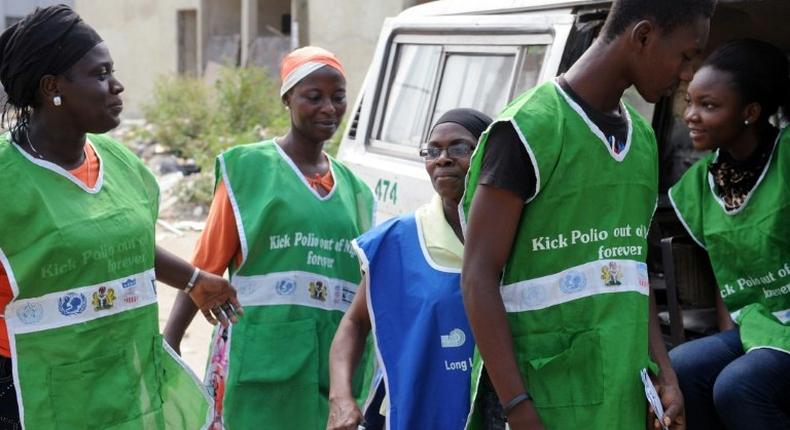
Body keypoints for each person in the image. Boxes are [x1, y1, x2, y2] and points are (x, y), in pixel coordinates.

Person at [460, 0, 717, 428]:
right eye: (687, 55)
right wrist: (517, 406)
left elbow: (631, 271)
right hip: (541, 399)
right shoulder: (529, 129)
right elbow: (477, 277)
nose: (688, 73)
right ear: (643, 36)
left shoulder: (642, 142)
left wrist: (665, 374)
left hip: (618, 396)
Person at [0, 5, 242, 430]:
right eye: (100, 74)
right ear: (52, 87)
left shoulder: (124, 166)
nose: (117, 86)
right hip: (28, 389)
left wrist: (192, 280)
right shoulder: (7, 179)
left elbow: (120, 244)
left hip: (121, 377)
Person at [164, 46, 376, 429]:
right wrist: (171, 342)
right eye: (314, 97)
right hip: (259, 360)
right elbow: (204, 267)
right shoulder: (249, 170)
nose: (329, 107)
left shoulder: (357, 191)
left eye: (338, 97)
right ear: (287, 99)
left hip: (331, 370)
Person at [326, 108, 492, 430]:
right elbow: (354, 322)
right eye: (433, 151)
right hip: (417, 413)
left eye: (459, 148)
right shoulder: (400, 240)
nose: (442, 159)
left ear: (488, 154)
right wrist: (341, 398)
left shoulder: (510, 236)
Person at [668, 39, 790, 430]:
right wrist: (733, 339)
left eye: (709, 106)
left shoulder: (786, 157)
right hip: (759, 321)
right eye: (690, 102)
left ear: (750, 113)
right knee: (679, 368)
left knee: (738, 386)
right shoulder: (700, 185)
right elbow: (728, 274)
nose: (691, 116)